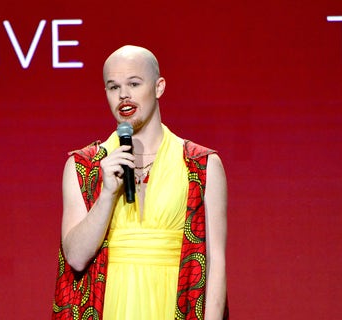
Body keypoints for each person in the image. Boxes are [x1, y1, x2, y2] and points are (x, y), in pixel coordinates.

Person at [52, 45, 228, 320]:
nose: (124, 95)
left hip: (174, 301)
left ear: (158, 87)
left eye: (134, 83)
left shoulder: (201, 164)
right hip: (110, 305)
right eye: (113, 87)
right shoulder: (84, 166)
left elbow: (215, 262)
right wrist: (107, 194)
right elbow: (75, 257)